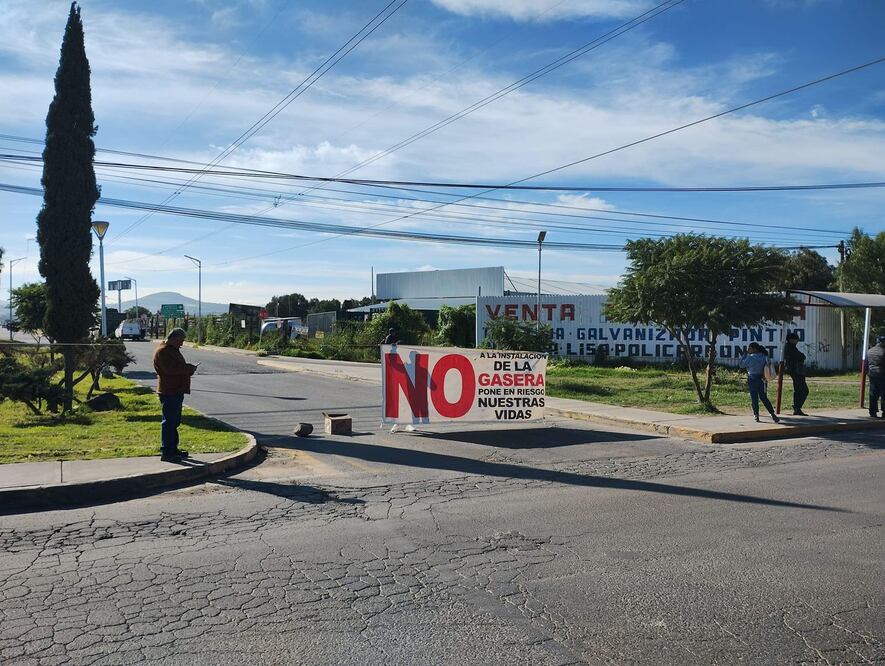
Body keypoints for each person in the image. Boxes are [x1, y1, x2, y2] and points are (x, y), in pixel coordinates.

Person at [152, 328, 198, 462]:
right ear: (173, 338)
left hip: (175, 389)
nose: (182, 344)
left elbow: (177, 367)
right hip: (169, 390)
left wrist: (188, 369)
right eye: (181, 341)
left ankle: (173, 449)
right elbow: (170, 369)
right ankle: (167, 451)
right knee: (169, 422)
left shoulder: (172, 349)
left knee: (174, 422)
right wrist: (188, 368)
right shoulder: (164, 351)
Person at [738, 342, 780, 423]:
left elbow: (741, 365)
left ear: (754, 349)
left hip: (752, 379)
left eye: (749, 348)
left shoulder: (750, 358)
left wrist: (743, 356)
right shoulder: (765, 357)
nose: (748, 350)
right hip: (763, 379)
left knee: (754, 398)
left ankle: (756, 415)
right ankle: (772, 414)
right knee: (764, 397)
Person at [783, 332, 809, 416]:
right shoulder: (790, 348)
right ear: (791, 340)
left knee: (798, 390)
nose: (797, 341)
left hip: (795, 371)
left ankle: (797, 408)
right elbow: (801, 356)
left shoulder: (791, 347)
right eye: (796, 339)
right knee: (804, 390)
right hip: (795, 371)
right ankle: (797, 407)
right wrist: (802, 356)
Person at [865, 334, 885, 418]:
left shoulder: (870, 351)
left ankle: (872, 412)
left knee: (873, 394)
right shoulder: (884, 351)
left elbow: (866, 364)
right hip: (882, 374)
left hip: (872, 374)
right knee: (884, 394)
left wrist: (868, 372)